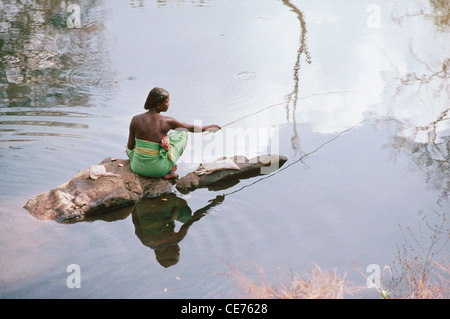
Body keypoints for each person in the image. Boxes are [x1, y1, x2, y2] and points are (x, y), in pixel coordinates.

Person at [126, 87, 220, 179]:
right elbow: (190, 128)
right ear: (158, 105)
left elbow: (130, 146)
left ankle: (149, 160)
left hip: (137, 168)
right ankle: (169, 171)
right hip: (158, 170)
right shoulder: (167, 121)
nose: (168, 104)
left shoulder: (135, 119)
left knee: (129, 149)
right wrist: (208, 127)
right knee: (182, 133)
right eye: (167, 102)